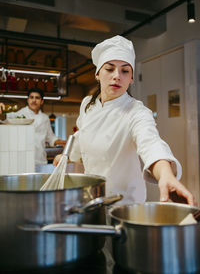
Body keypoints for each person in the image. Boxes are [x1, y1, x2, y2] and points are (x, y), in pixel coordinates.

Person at [54, 35, 195, 205]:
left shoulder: (136, 112)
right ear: (98, 74)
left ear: (131, 78)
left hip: (124, 204)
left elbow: (151, 143)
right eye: (110, 69)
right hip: (91, 198)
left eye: (125, 71)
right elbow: (81, 135)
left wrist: (165, 174)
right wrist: (67, 156)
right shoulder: (87, 105)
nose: (117, 76)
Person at [0, 87, 66, 168]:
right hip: (23, 161)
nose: (34, 100)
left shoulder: (45, 118)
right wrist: (1, 112)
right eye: (31, 97)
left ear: (42, 101)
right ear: (28, 100)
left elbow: (50, 137)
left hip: (41, 160)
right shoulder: (20, 114)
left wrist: (61, 142)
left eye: (37, 98)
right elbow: (5, 118)